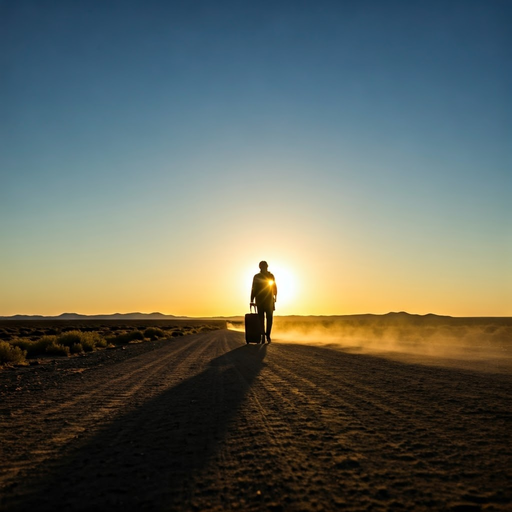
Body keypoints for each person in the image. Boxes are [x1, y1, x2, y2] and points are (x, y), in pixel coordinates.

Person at [250, 261, 277, 343]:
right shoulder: (257, 276)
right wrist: (251, 299)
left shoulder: (270, 276)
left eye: (265, 266)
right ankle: (263, 335)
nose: (264, 267)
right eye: (263, 266)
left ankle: (267, 335)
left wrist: (275, 296)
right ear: (260, 267)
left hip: (268, 300)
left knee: (269, 319)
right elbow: (253, 288)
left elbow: (274, 286)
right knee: (261, 318)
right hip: (261, 300)